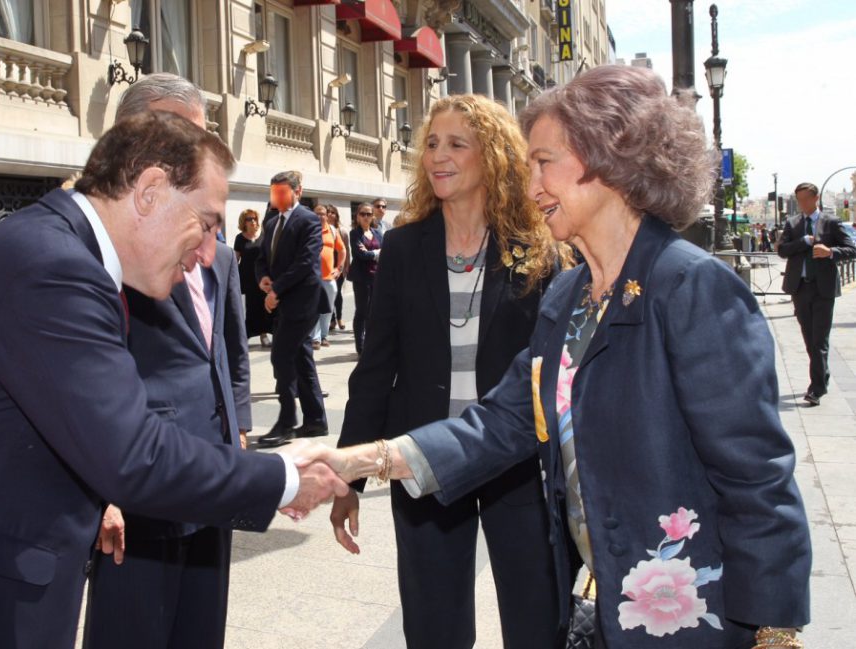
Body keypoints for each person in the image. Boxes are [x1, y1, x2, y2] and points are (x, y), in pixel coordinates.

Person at [314, 66, 812, 649]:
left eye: (544, 163)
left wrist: (774, 633)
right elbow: (503, 422)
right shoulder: (568, 296)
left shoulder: (691, 288)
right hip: (602, 611)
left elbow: (756, 481)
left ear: (610, 161)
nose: (529, 187)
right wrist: (358, 460)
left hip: (685, 616)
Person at [0, 112, 347, 649]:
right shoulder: (53, 268)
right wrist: (286, 477)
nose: (205, 253)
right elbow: (133, 456)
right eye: (208, 223)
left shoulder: (61, 253)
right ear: (149, 191)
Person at [330, 94, 563, 649]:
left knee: (536, 621)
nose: (439, 155)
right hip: (425, 459)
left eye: (458, 144)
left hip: (516, 464)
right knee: (434, 627)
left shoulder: (537, 249)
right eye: (432, 143)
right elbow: (376, 366)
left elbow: (550, 377)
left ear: (495, 157)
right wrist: (349, 475)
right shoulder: (405, 247)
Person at [82, 74, 255, 649]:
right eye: (175, 134)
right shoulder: (100, 254)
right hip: (141, 492)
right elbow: (79, 388)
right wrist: (99, 492)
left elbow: (227, 349)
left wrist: (240, 428)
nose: (193, 152)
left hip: (213, 475)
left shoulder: (218, 254)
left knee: (201, 631)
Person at [254, 170, 330, 447]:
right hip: (284, 301)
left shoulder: (308, 220)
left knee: (280, 357)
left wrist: (277, 290)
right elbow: (263, 257)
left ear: (298, 192)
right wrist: (262, 278)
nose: (277, 197)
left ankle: (286, 421)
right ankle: (316, 420)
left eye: (283, 192)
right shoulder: (272, 222)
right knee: (300, 358)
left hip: (303, 301)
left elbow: (305, 263)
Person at [777, 182, 856, 406]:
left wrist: (830, 252)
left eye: (805, 199)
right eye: (798, 200)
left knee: (819, 339)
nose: (802, 204)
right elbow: (782, 250)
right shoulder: (793, 224)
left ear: (815, 198)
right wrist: (802, 242)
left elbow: (852, 249)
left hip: (823, 288)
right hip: (800, 287)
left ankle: (816, 388)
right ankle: (822, 376)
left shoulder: (831, 223)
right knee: (809, 338)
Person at [347, 202, 383, 355]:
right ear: (357, 216)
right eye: (363, 214)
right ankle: (360, 347)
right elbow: (360, 255)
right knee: (362, 311)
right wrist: (376, 253)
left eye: (369, 214)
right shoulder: (355, 234)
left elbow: (385, 252)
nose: (366, 217)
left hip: (376, 277)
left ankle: (371, 344)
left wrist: (372, 252)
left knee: (373, 312)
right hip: (361, 278)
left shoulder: (378, 233)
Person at [234, 208, 273, 347]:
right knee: (251, 307)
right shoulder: (240, 238)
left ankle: (264, 335)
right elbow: (235, 259)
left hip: (263, 276)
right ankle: (246, 335)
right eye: (249, 219)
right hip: (247, 277)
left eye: (254, 218)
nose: (252, 221)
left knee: (264, 306)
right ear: (243, 222)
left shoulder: (264, 236)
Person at [311, 204, 346, 350]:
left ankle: (324, 336)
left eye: (323, 214)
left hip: (329, 278)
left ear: (327, 215)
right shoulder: (309, 230)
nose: (320, 216)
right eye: (317, 214)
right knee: (314, 308)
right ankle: (315, 338)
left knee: (328, 308)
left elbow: (342, 249)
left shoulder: (332, 230)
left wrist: (339, 268)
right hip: (313, 277)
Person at [326, 204, 350, 332]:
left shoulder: (342, 231)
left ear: (336, 215)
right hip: (326, 268)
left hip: (338, 267)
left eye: (332, 212)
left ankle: (339, 317)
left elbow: (346, 250)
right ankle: (332, 319)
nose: (330, 214)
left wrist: (345, 267)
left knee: (338, 293)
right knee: (328, 294)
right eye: (328, 212)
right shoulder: (321, 230)